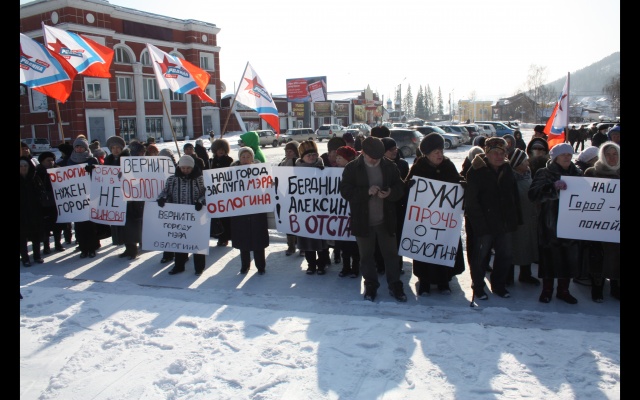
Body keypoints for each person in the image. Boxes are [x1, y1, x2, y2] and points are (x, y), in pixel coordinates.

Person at [340, 136, 407, 302]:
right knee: (366, 256)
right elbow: (345, 191)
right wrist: (366, 192)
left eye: (378, 157)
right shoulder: (352, 168)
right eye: (372, 157)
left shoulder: (389, 166)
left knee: (391, 255)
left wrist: (390, 192)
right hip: (363, 221)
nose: (375, 160)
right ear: (363, 153)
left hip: (386, 220)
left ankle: (395, 284)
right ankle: (370, 284)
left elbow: (400, 187)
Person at [405, 133, 466, 296]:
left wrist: (462, 185)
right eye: (436, 152)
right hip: (424, 220)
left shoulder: (448, 165)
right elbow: (407, 188)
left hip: (444, 220)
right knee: (424, 250)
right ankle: (424, 282)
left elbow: (456, 182)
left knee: (443, 247)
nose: (440, 155)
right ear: (427, 154)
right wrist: (409, 186)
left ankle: (443, 281)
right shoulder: (418, 167)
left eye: (441, 151)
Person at [464, 137, 521, 300]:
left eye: (502, 153)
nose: (498, 156)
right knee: (481, 257)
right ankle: (478, 286)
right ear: (487, 153)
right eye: (495, 153)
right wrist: (479, 224)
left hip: (504, 221)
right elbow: (471, 201)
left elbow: (514, 195)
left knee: (505, 255)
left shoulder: (507, 169)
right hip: (484, 223)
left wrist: (516, 218)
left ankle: (499, 285)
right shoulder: (476, 171)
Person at [528, 143, 584, 304]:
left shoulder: (578, 174)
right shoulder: (544, 173)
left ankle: (563, 290)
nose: (567, 157)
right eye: (563, 154)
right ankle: (547, 290)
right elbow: (533, 195)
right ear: (555, 157)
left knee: (569, 258)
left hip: (572, 222)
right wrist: (552, 188)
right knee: (549, 258)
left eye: (569, 154)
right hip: (550, 223)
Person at [156, 154, 207, 276]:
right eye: (183, 168)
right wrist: (162, 199)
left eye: (188, 168)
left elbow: (206, 193)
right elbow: (166, 192)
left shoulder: (200, 179)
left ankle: (199, 267)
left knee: (197, 241)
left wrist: (200, 202)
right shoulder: (172, 179)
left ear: (192, 167)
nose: (185, 170)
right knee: (180, 242)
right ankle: (179, 266)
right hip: (178, 217)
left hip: (196, 215)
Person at [583, 141, 620, 302]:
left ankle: (615, 286)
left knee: (616, 256)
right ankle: (597, 288)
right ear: (602, 156)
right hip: (596, 223)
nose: (612, 158)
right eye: (608, 155)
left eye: (615, 154)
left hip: (616, 224)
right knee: (597, 256)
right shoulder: (592, 172)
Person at [58, 136, 101, 258]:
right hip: (76, 197)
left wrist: (92, 170)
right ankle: (83, 248)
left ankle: (92, 247)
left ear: (86, 148)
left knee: (90, 224)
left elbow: (99, 175)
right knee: (79, 225)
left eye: (81, 146)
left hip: (90, 195)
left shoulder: (92, 159)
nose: (79, 149)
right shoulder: (70, 160)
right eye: (77, 146)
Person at [229, 146, 270, 274]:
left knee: (258, 240)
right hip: (240, 211)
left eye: (248, 157)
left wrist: (271, 184)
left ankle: (260, 266)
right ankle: (245, 265)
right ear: (239, 158)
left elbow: (267, 186)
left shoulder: (261, 171)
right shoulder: (231, 173)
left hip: (257, 210)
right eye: (243, 157)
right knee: (243, 240)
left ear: (252, 158)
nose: (245, 159)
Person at [373, 137, 409, 275]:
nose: (394, 151)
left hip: (397, 207)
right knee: (379, 237)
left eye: (395, 148)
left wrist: (393, 191)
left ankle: (397, 265)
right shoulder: (375, 164)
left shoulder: (402, 164)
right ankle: (380, 264)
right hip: (379, 207)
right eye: (390, 149)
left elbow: (403, 185)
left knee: (396, 237)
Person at [295, 140, 331, 275]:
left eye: (314, 154)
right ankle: (311, 264)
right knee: (307, 240)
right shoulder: (294, 171)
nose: (311, 157)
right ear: (302, 157)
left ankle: (322, 264)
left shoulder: (325, 169)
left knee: (321, 239)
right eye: (308, 155)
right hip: (304, 211)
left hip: (321, 210)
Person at [106, 137, 145, 260]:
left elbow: (136, 175)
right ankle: (127, 248)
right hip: (115, 197)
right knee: (120, 225)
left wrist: (125, 174)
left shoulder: (129, 159)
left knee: (130, 224)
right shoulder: (108, 160)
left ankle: (133, 249)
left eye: (118, 147)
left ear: (122, 148)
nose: (115, 150)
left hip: (129, 197)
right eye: (113, 148)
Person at [506, 149, 540, 287]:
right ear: (517, 163)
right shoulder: (509, 178)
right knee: (513, 247)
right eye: (525, 160)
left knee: (528, 246)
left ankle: (525, 274)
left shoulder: (527, 175)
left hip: (530, 218)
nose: (527, 163)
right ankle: (508, 276)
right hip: (516, 220)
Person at [334, 145, 361, 278]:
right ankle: (345, 267)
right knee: (343, 245)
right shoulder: (333, 172)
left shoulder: (356, 172)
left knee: (354, 245)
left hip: (353, 213)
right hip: (340, 215)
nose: (337, 160)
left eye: (340, 157)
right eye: (337, 157)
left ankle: (355, 268)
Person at [321, 136, 347, 264]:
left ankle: (337, 253)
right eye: (334, 153)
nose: (337, 157)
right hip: (324, 203)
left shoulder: (346, 164)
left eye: (339, 154)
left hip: (340, 204)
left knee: (339, 227)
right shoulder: (321, 162)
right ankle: (325, 256)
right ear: (329, 152)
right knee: (325, 229)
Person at [35, 151, 65, 254]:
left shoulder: (58, 171)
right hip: (43, 204)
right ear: (42, 161)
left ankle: (58, 244)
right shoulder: (37, 173)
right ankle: (46, 246)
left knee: (58, 225)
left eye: (52, 160)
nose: (51, 162)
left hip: (56, 203)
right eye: (48, 160)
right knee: (46, 227)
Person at [20, 157, 46, 266]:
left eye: (25, 166)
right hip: (21, 214)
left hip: (35, 212)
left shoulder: (35, 178)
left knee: (36, 236)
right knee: (22, 238)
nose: (23, 168)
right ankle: (25, 258)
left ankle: (37, 256)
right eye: (21, 166)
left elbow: (42, 192)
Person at [278, 140, 301, 256]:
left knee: (299, 221)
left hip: (298, 197)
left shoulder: (299, 163)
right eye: (286, 151)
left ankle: (302, 247)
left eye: (290, 151)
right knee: (289, 222)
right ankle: (291, 245)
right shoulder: (282, 162)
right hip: (285, 196)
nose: (288, 153)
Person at [210, 138, 234, 247]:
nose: (221, 151)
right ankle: (220, 237)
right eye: (219, 149)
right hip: (215, 192)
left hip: (226, 192)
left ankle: (226, 237)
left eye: (223, 149)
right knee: (217, 217)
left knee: (226, 217)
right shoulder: (211, 161)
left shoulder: (229, 161)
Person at [158, 148, 178, 264]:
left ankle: (179, 254)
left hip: (177, 204)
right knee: (167, 231)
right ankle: (168, 254)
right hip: (163, 205)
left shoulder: (178, 170)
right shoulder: (155, 171)